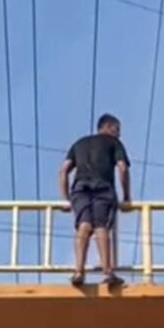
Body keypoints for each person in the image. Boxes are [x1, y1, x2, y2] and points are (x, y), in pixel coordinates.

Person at [59, 113, 131, 287]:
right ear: (107, 127)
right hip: (103, 187)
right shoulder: (114, 143)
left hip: (80, 189)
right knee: (101, 226)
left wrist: (66, 199)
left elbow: (63, 171)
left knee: (83, 225)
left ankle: (78, 272)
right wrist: (127, 196)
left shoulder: (79, 143)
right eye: (117, 129)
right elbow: (122, 168)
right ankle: (108, 272)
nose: (119, 134)